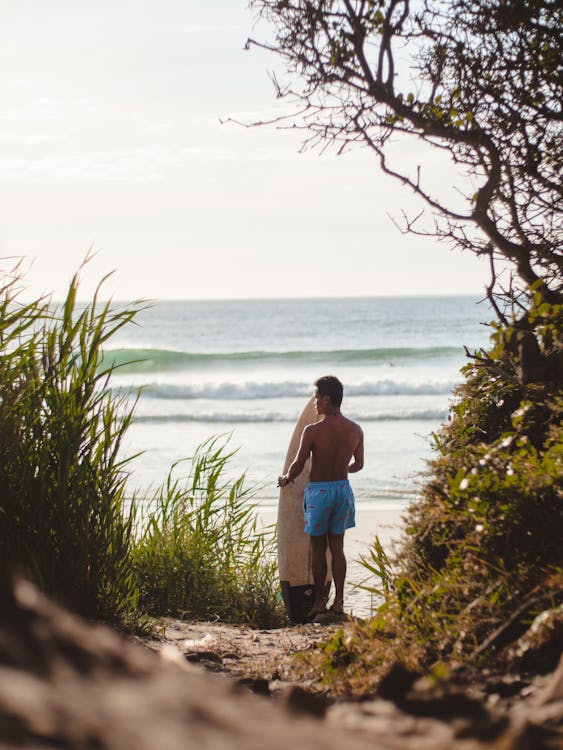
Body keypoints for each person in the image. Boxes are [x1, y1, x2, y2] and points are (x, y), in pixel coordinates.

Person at [278, 375, 364, 616]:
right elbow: (358, 465)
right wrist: (340, 468)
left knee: (318, 547)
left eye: (317, 397)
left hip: (319, 493)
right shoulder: (355, 430)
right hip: (343, 491)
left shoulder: (313, 430)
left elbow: (298, 464)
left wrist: (286, 479)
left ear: (327, 399)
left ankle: (318, 603)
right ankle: (339, 602)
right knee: (337, 548)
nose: (315, 403)